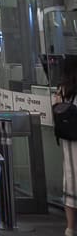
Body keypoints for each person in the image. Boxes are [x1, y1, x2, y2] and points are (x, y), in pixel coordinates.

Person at [57, 56, 77, 236]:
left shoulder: (62, 90)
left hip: (68, 143)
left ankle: (70, 227)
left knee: (70, 182)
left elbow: (55, 109)